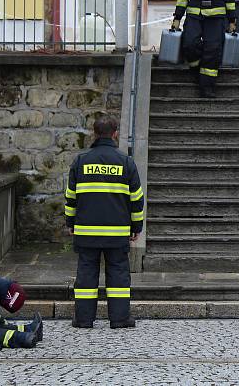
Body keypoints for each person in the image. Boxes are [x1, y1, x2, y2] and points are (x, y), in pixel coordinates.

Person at [64, 114, 145, 328]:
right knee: (118, 275)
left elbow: (71, 197)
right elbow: (137, 199)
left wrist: (70, 223)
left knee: (86, 276)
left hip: (86, 231)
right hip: (117, 232)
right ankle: (119, 319)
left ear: (94, 133)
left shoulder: (81, 161)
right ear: (115, 133)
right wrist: (136, 227)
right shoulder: (125, 162)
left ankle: (83, 319)